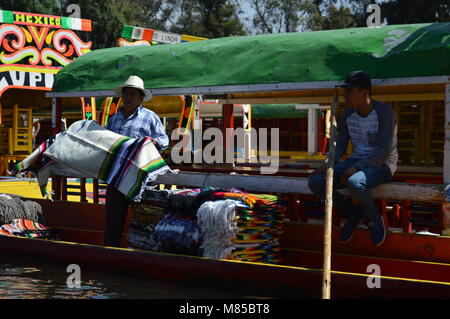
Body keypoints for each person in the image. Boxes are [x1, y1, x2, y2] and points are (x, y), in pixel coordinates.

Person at [308, 71, 398, 246]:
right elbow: (340, 146)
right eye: (345, 92)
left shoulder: (384, 112)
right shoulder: (348, 113)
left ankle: (372, 218)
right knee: (316, 182)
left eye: (350, 92)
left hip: (383, 164)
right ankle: (353, 214)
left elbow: (383, 152)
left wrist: (355, 168)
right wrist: (329, 164)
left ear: (364, 92)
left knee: (355, 183)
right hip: (356, 162)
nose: (345, 96)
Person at [104, 75, 169, 247]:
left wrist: (154, 142)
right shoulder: (114, 119)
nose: (128, 98)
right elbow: (104, 142)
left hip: (139, 177)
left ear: (141, 98)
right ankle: (110, 253)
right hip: (115, 178)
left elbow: (164, 139)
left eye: (133, 94)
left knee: (143, 220)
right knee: (113, 220)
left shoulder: (150, 117)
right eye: (126, 94)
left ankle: (141, 252)